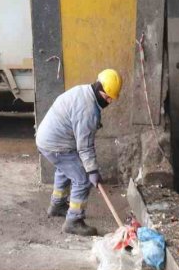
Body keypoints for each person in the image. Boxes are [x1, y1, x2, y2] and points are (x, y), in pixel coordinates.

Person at [35, 69, 122, 236]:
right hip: (55, 144)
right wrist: (92, 171)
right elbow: (85, 146)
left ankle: (57, 205)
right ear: (99, 89)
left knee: (65, 169)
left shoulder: (83, 91)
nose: (110, 101)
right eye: (108, 97)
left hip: (48, 139)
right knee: (82, 179)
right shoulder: (88, 110)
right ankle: (73, 221)